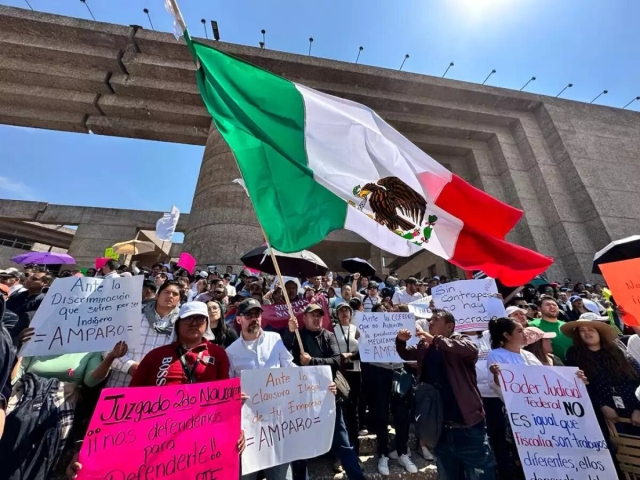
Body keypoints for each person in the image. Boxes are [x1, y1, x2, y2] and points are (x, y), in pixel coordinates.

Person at [396, 310, 495, 480]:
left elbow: (470, 350)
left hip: (468, 427)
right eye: (430, 319)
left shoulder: (461, 341)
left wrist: (434, 339)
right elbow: (406, 354)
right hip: (440, 428)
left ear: (449, 326)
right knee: (447, 474)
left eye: (436, 319)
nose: (431, 322)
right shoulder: (424, 346)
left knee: (479, 474)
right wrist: (400, 341)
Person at [284, 304, 366, 480]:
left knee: (343, 442)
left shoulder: (329, 335)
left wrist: (311, 361)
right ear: (303, 319)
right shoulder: (299, 336)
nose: (316, 319)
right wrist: (290, 332)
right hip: (303, 401)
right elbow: (284, 354)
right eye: (312, 315)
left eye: (319, 316)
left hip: (330, 398)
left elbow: (336, 360)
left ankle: (357, 476)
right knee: (302, 448)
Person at [226, 298, 295, 480]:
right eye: (249, 315)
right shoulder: (231, 352)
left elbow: (291, 368)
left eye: (257, 314)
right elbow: (228, 387)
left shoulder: (276, 339)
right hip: (248, 427)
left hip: (278, 422)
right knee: (247, 475)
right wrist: (234, 396)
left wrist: (318, 382)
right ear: (239, 319)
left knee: (280, 475)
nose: (254, 318)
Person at [564, 317, 640, 429]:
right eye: (582, 330)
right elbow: (580, 386)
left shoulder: (617, 351)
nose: (587, 333)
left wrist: (638, 408)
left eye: (591, 329)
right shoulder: (574, 355)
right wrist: (602, 406)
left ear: (599, 332)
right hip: (604, 418)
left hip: (634, 409)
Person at [105, 280, 182, 387]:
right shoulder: (131, 315)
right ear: (157, 295)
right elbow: (108, 347)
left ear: (179, 300)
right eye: (166, 292)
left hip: (156, 388)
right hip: (121, 384)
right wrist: (129, 366)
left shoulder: (181, 324)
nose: (170, 296)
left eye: (175, 294)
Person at [332, 303, 361, 455]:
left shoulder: (357, 330)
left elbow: (366, 349)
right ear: (337, 314)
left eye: (347, 310)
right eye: (341, 310)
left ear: (351, 314)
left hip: (355, 372)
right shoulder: (332, 330)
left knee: (353, 411)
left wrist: (352, 355)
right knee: (340, 411)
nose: (344, 313)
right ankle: (340, 453)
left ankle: (354, 449)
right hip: (339, 373)